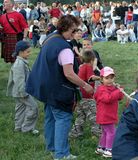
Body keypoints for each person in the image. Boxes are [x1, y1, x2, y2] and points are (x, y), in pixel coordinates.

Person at [25, 15, 93, 160]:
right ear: (66, 28)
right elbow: (69, 74)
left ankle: (52, 147)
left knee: (50, 116)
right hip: (57, 89)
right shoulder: (64, 48)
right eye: (73, 30)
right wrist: (85, 85)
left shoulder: (51, 37)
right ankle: (61, 154)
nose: (75, 33)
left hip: (44, 85)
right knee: (63, 117)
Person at [6, 40, 39, 135]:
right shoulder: (19, 64)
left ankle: (18, 127)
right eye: (27, 52)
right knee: (33, 107)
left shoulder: (22, 62)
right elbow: (19, 80)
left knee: (20, 108)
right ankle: (27, 128)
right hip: (21, 92)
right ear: (20, 52)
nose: (30, 53)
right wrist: (24, 93)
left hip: (18, 92)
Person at [69, 49, 101, 138]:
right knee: (94, 115)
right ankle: (97, 133)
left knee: (81, 116)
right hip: (87, 97)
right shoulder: (88, 67)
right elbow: (90, 78)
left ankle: (75, 133)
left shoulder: (82, 66)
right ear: (92, 60)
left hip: (80, 96)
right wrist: (101, 78)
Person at [94, 66, 124, 158]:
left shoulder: (111, 88)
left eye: (112, 78)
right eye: (107, 78)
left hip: (109, 115)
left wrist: (119, 91)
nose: (110, 80)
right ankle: (108, 150)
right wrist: (117, 92)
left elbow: (119, 98)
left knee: (106, 132)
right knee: (111, 132)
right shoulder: (101, 89)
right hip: (105, 116)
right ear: (101, 79)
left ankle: (101, 148)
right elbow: (108, 98)